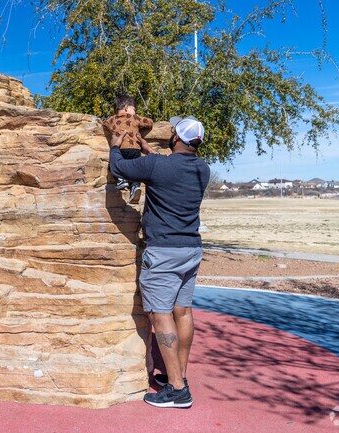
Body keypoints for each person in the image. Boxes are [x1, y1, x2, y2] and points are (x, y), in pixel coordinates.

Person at [109, 115, 210, 409]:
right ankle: (178, 375)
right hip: (190, 250)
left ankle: (177, 391)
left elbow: (120, 167)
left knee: (160, 314)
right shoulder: (202, 169)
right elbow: (168, 167)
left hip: (163, 252)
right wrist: (146, 147)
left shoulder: (158, 166)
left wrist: (117, 146)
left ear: (176, 138)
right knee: (183, 311)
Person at [103, 95, 154, 204]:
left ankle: (121, 180)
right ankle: (135, 187)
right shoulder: (135, 118)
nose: (135, 112)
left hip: (120, 149)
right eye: (134, 109)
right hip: (135, 149)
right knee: (136, 168)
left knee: (113, 164)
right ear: (126, 108)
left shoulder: (112, 119)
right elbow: (149, 123)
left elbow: (105, 124)